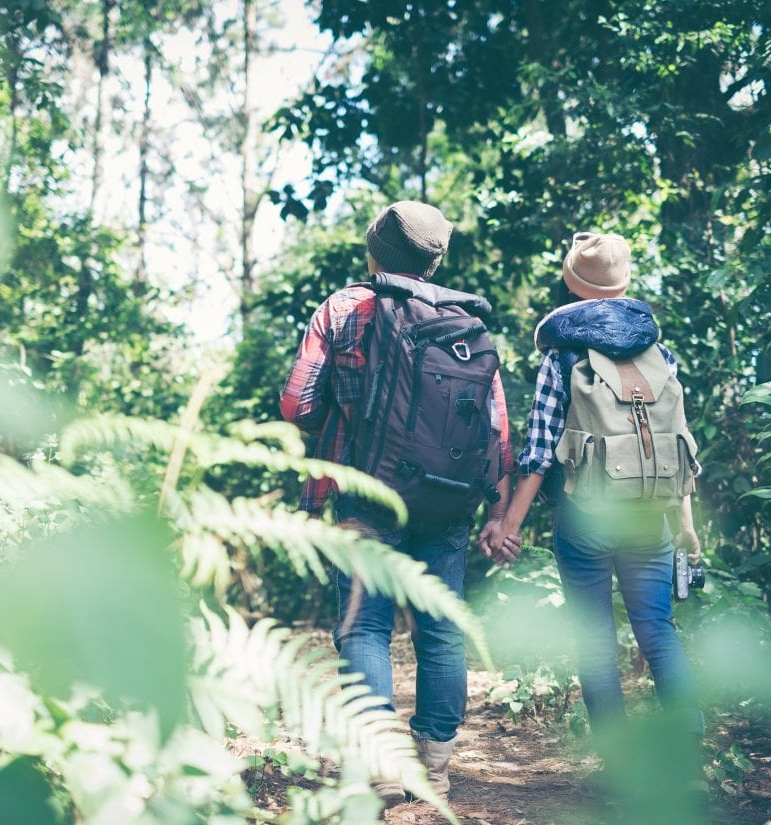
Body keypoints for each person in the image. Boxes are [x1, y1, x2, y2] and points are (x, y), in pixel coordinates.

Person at [280, 200, 519, 808]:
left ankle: (381, 766)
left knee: (365, 626)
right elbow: (497, 427)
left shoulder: (344, 308)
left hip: (365, 491)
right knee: (441, 629)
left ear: (373, 251)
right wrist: (498, 510)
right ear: (436, 260)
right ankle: (434, 766)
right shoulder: (469, 321)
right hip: (449, 501)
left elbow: (297, 406)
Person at [480, 230, 704, 757]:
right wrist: (687, 525)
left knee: (596, 640)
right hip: (652, 514)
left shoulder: (563, 355)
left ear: (573, 287)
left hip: (586, 515)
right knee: (657, 630)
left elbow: (537, 451)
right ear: (625, 282)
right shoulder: (660, 355)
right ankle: (690, 748)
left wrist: (507, 525)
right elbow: (678, 445)